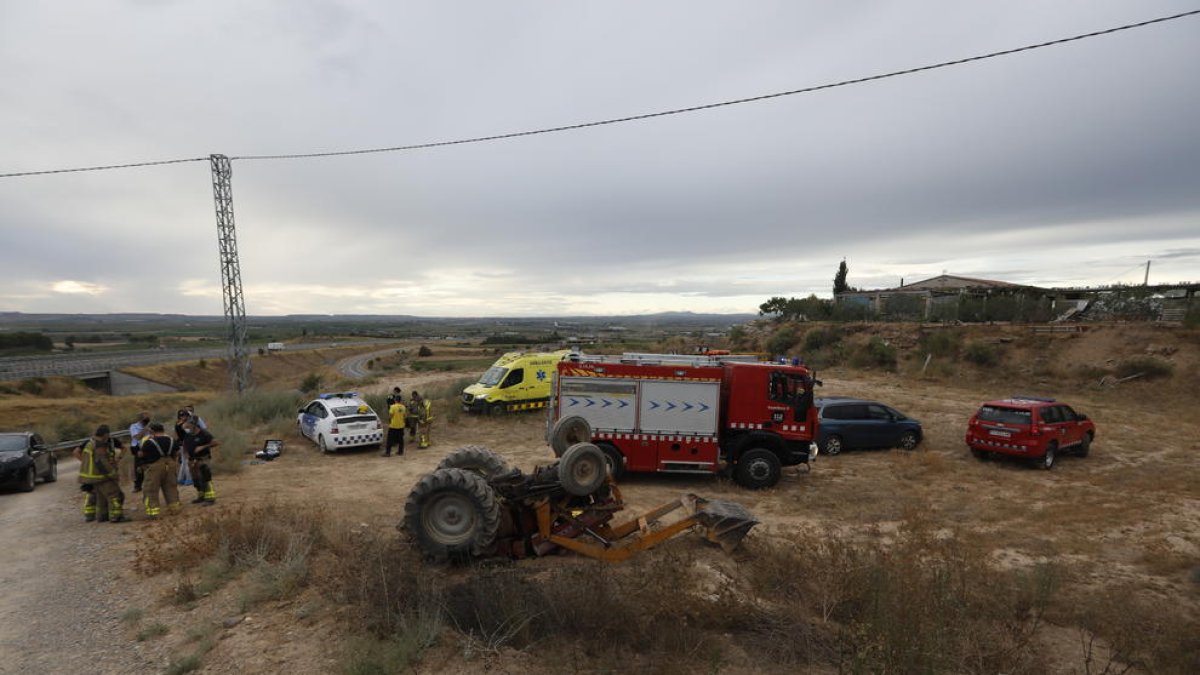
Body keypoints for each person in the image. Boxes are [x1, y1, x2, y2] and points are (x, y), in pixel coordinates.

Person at [77, 425, 127, 523]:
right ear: (105, 435)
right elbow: (102, 462)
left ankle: (102, 516)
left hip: (91, 477)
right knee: (114, 494)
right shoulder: (99, 445)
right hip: (100, 476)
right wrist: (112, 474)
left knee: (100, 497)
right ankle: (116, 517)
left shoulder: (90, 443)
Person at [138, 423, 180, 518]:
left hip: (155, 467)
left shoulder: (149, 442)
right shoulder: (171, 439)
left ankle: (153, 512)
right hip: (170, 464)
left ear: (152, 431)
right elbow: (177, 452)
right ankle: (174, 509)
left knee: (150, 489)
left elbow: (142, 455)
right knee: (171, 487)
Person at [181, 418, 220, 505]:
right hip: (192, 461)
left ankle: (210, 498)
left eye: (189, 426)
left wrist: (203, 446)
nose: (187, 428)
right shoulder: (188, 434)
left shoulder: (204, 433)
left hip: (203, 459)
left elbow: (215, 442)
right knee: (196, 480)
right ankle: (201, 496)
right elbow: (184, 446)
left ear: (194, 425)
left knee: (205, 478)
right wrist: (186, 455)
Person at [129, 411, 151, 493]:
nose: (147, 419)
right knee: (139, 467)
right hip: (138, 448)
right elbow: (137, 437)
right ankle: (137, 486)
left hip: (149, 446)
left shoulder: (150, 425)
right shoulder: (134, 426)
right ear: (140, 419)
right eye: (145, 418)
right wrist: (145, 429)